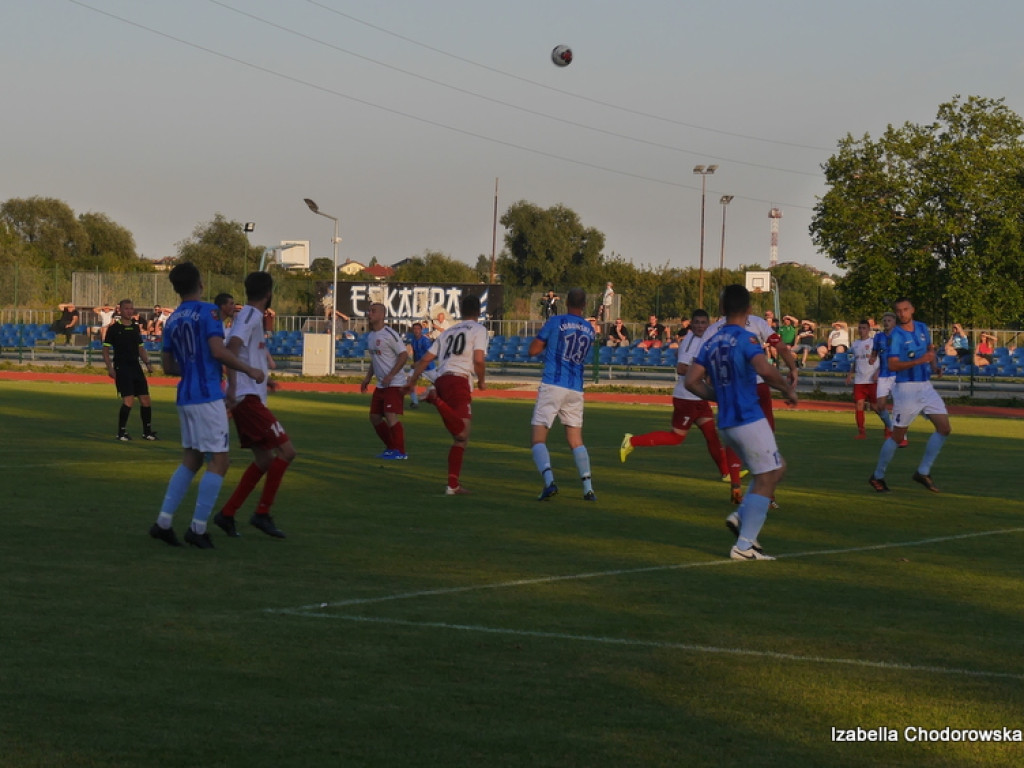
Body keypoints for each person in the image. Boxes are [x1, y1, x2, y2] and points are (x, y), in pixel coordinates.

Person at [149, 262, 265, 549]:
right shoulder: (208, 312)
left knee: (192, 458)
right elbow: (217, 350)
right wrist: (249, 371)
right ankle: (197, 529)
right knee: (220, 461)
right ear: (200, 283)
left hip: (185, 395)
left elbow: (167, 366)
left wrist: (191, 366)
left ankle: (163, 523)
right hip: (207, 395)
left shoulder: (173, 319)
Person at [685, 285, 798, 561]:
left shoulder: (711, 340)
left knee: (774, 469)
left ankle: (741, 517)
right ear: (748, 310)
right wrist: (787, 389)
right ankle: (744, 546)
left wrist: (718, 396)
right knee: (769, 475)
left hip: (726, 420)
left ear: (722, 310)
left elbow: (690, 381)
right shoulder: (747, 339)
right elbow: (764, 369)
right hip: (748, 416)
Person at [620, 309, 747, 504]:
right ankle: (632, 441)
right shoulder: (692, 341)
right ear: (691, 324)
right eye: (696, 322)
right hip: (687, 398)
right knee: (676, 437)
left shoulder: (701, 337)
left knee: (711, 436)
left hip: (698, 398)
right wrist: (705, 372)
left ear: (708, 324)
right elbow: (681, 368)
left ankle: (726, 473)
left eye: (703, 322)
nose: (700, 326)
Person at [213, 271, 294, 540]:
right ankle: (262, 513)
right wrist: (235, 386)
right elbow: (232, 349)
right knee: (287, 451)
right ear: (269, 293)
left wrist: (263, 380)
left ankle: (227, 514)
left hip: (250, 395)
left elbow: (245, 352)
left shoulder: (251, 316)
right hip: (246, 399)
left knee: (264, 459)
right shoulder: (249, 316)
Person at [406, 295, 488, 495]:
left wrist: (413, 378)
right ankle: (435, 399)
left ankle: (452, 485)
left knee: (460, 439)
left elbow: (426, 358)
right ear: (478, 312)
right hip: (458, 381)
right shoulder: (479, 329)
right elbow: (478, 360)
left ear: (461, 312)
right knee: (462, 433)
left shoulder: (449, 331)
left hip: (442, 379)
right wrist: (482, 380)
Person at [869, 297, 950, 494]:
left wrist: (933, 365)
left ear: (912, 309)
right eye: (898, 311)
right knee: (897, 437)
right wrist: (921, 360)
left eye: (905, 309)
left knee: (944, 428)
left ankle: (922, 472)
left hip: (925, 386)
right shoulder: (895, 335)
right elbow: (892, 365)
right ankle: (877, 476)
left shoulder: (922, 328)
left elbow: (929, 349)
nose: (902, 313)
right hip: (906, 390)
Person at [528, 287, 596, 501]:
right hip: (575, 387)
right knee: (576, 439)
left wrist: (548, 344)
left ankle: (549, 482)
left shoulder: (555, 321)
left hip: (553, 384)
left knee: (539, 438)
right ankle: (588, 488)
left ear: (566, 302)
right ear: (584, 304)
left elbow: (533, 349)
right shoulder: (589, 329)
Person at [103, 299, 159, 442]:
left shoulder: (135, 327)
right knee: (128, 401)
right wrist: (110, 367)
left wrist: (147, 363)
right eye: (126, 308)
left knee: (145, 400)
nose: (129, 311)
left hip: (136, 367)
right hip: (122, 368)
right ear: (120, 310)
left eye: (131, 308)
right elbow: (106, 349)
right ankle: (121, 432)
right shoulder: (114, 328)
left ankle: (147, 432)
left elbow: (140, 348)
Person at [360, 302, 409, 459]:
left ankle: (400, 452)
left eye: (373, 311)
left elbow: (403, 355)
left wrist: (391, 375)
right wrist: (368, 378)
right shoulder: (371, 336)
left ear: (382, 315)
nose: (370, 313)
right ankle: (391, 448)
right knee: (374, 417)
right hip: (382, 384)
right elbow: (375, 360)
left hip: (394, 383)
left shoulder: (390, 334)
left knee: (390, 415)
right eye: (369, 311)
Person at [845, 319, 889, 440]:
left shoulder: (874, 342)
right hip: (859, 380)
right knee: (859, 405)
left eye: (864, 328)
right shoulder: (855, 344)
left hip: (872, 380)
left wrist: (878, 372)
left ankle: (888, 427)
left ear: (869, 329)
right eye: (860, 328)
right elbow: (856, 361)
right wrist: (850, 374)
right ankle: (861, 432)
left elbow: (883, 359)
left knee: (875, 406)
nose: (861, 330)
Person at [867, 311, 898, 441]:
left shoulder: (900, 335)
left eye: (889, 320)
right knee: (880, 406)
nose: (886, 323)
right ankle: (891, 428)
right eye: (884, 320)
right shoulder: (878, 337)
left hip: (897, 375)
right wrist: (873, 358)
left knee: (899, 405)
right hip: (884, 375)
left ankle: (901, 434)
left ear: (894, 322)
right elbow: (875, 351)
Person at [406, 321, 437, 407]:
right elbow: (415, 353)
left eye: (418, 329)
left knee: (439, 384)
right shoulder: (413, 340)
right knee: (409, 380)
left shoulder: (425, 341)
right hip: (417, 366)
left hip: (428, 367)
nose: (416, 330)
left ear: (421, 330)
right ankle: (415, 402)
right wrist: (414, 363)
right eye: (414, 329)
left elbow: (429, 355)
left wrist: (417, 363)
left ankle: (430, 393)